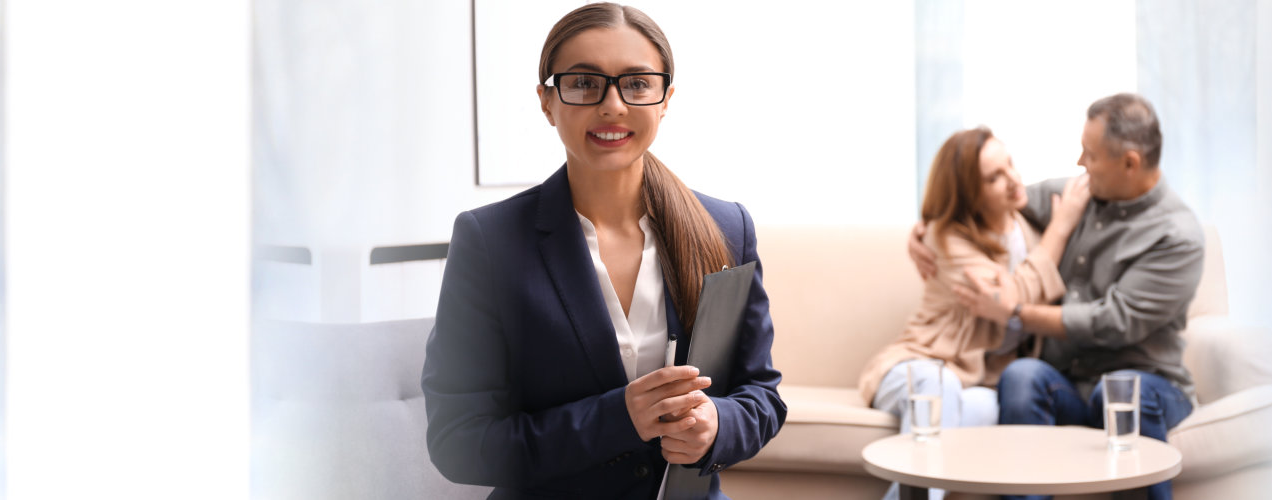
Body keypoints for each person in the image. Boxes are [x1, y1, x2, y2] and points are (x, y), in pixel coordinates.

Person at [423, 4, 785, 499]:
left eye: (637, 84)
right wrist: (618, 419)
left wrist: (717, 424)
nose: (612, 105)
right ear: (547, 102)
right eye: (583, 83)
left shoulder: (727, 227)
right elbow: (457, 442)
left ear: (665, 99)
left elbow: (761, 395)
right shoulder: (491, 241)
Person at [910, 93, 1203, 500]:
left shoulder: (1177, 235)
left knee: (1119, 389)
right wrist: (926, 227)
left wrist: (1015, 311)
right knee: (1022, 376)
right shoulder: (1078, 194)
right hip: (1070, 383)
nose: (1080, 163)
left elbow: (1112, 322)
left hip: (1147, 383)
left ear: (1130, 163)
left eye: (1090, 154)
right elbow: (983, 195)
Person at [858, 127, 1091, 500]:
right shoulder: (946, 238)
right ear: (968, 193)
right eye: (993, 177)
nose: (1013, 180)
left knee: (992, 412)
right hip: (918, 367)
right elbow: (1008, 299)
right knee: (939, 389)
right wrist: (1062, 228)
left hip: (977, 384)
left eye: (1010, 164)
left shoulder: (1029, 227)